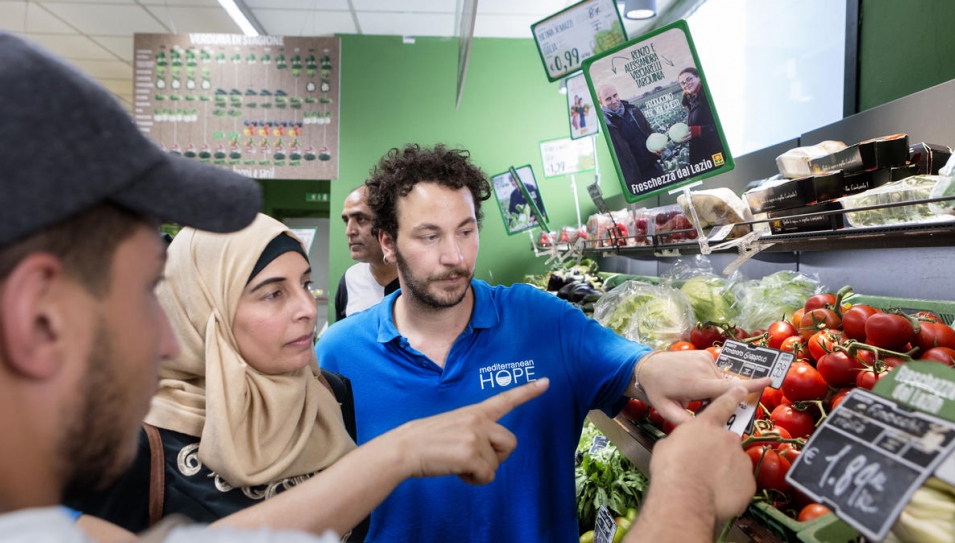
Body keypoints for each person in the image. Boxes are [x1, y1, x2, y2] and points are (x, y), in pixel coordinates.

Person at [0, 31, 548, 543]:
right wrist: (398, 454)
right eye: (145, 294)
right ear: (37, 317)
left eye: (304, 284)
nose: (168, 342)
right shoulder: (134, 452)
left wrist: (397, 454)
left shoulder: (329, 395)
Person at [316, 143, 770, 543]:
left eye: (466, 231)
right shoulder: (339, 353)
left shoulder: (541, 319)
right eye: (429, 236)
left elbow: (630, 365)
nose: (454, 256)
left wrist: (657, 368)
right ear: (388, 243)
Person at [333, 185, 399, 321]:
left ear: (388, 224)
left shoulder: (416, 279)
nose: (349, 231)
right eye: (346, 221)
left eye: (361, 219)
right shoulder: (350, 280)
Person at [598, 84, 664, 185]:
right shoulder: (604, 125)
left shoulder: (633, 110)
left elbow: (649, 131)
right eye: (608, 99)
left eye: (615, 95)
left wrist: (657, 146)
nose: (614, 101)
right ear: (601, 102)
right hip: (634, 179)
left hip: (654, 167)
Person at [677, 67, 725, 168]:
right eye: (683, 83)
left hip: (716, 152)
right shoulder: (691, 99)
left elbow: (726, 125)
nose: (686, 84)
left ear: (698, 77)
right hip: (703, 154)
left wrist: (699, 131)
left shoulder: (709, 94)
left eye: (689, 79)